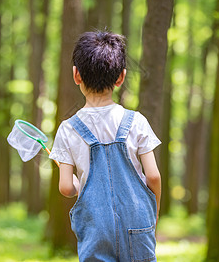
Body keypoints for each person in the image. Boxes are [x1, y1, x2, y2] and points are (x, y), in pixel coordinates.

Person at [49, 30, 162, 262]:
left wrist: (74, 180)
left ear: (76, 75)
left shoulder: (68, 129)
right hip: (138, 224)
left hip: (95, 229)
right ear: (121, 77)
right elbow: (153, 177)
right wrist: (154, 214)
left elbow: (66, 188)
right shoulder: (137, 121)